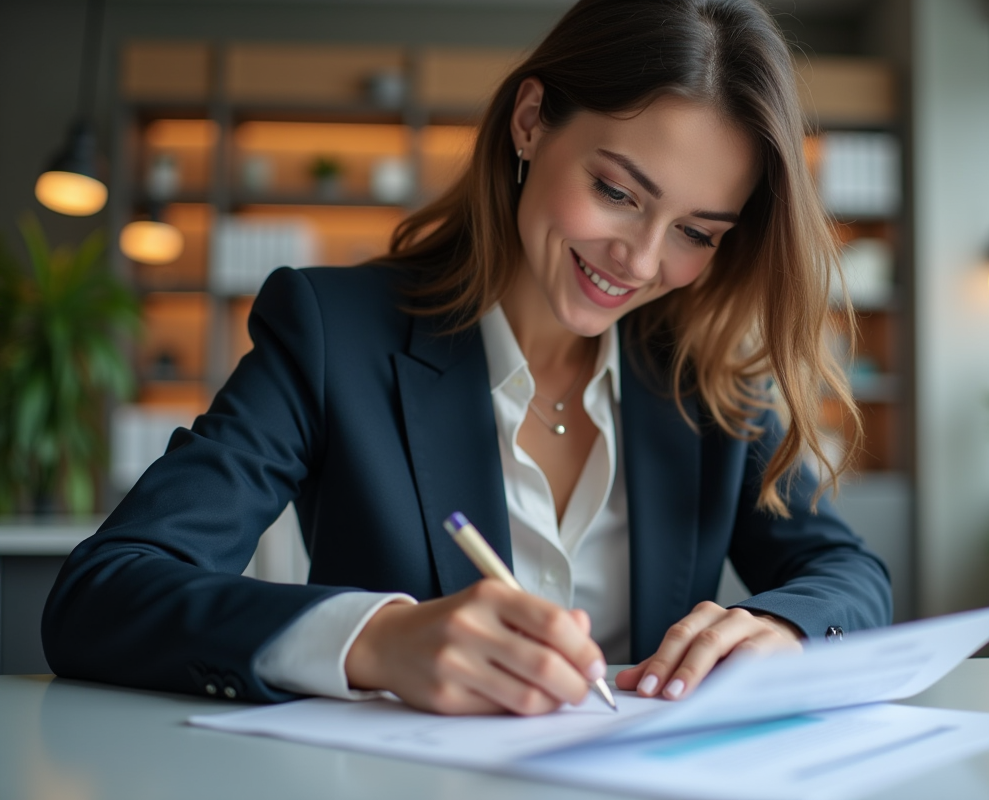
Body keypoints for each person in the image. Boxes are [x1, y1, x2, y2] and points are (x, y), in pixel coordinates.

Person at [42, 0, 891, 716]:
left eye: (697, 233)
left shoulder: (705, 373)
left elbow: (847, 573)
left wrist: (784, 629)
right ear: (530, 123)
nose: (639, 260)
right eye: (618, 193)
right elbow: (103, 593)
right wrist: (375, 641)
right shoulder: (333, 333)